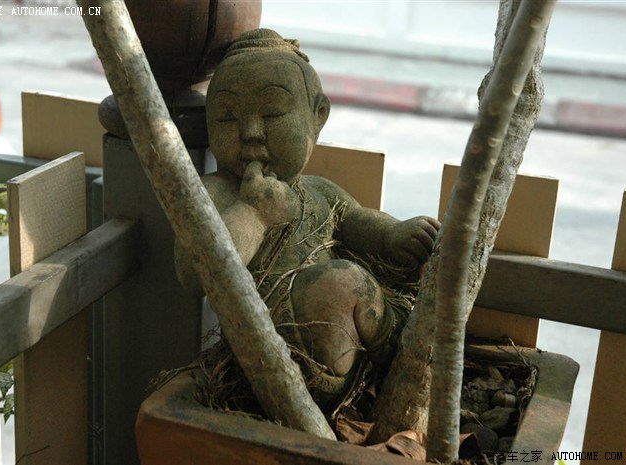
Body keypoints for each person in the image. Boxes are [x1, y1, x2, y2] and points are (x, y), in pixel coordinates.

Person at [177, 28, 440, 412]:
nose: (250, 133)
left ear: (318, 116)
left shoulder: (317, 190)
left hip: (349, 349)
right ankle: (391, 361)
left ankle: (397, 357)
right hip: (278, 365)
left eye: (272, 113)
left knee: (345, 283)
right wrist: (253, 214)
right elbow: (195, 271)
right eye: (227, 118)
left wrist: (395, 235)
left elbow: (359, 222)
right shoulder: (217, 193)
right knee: (340, 281)